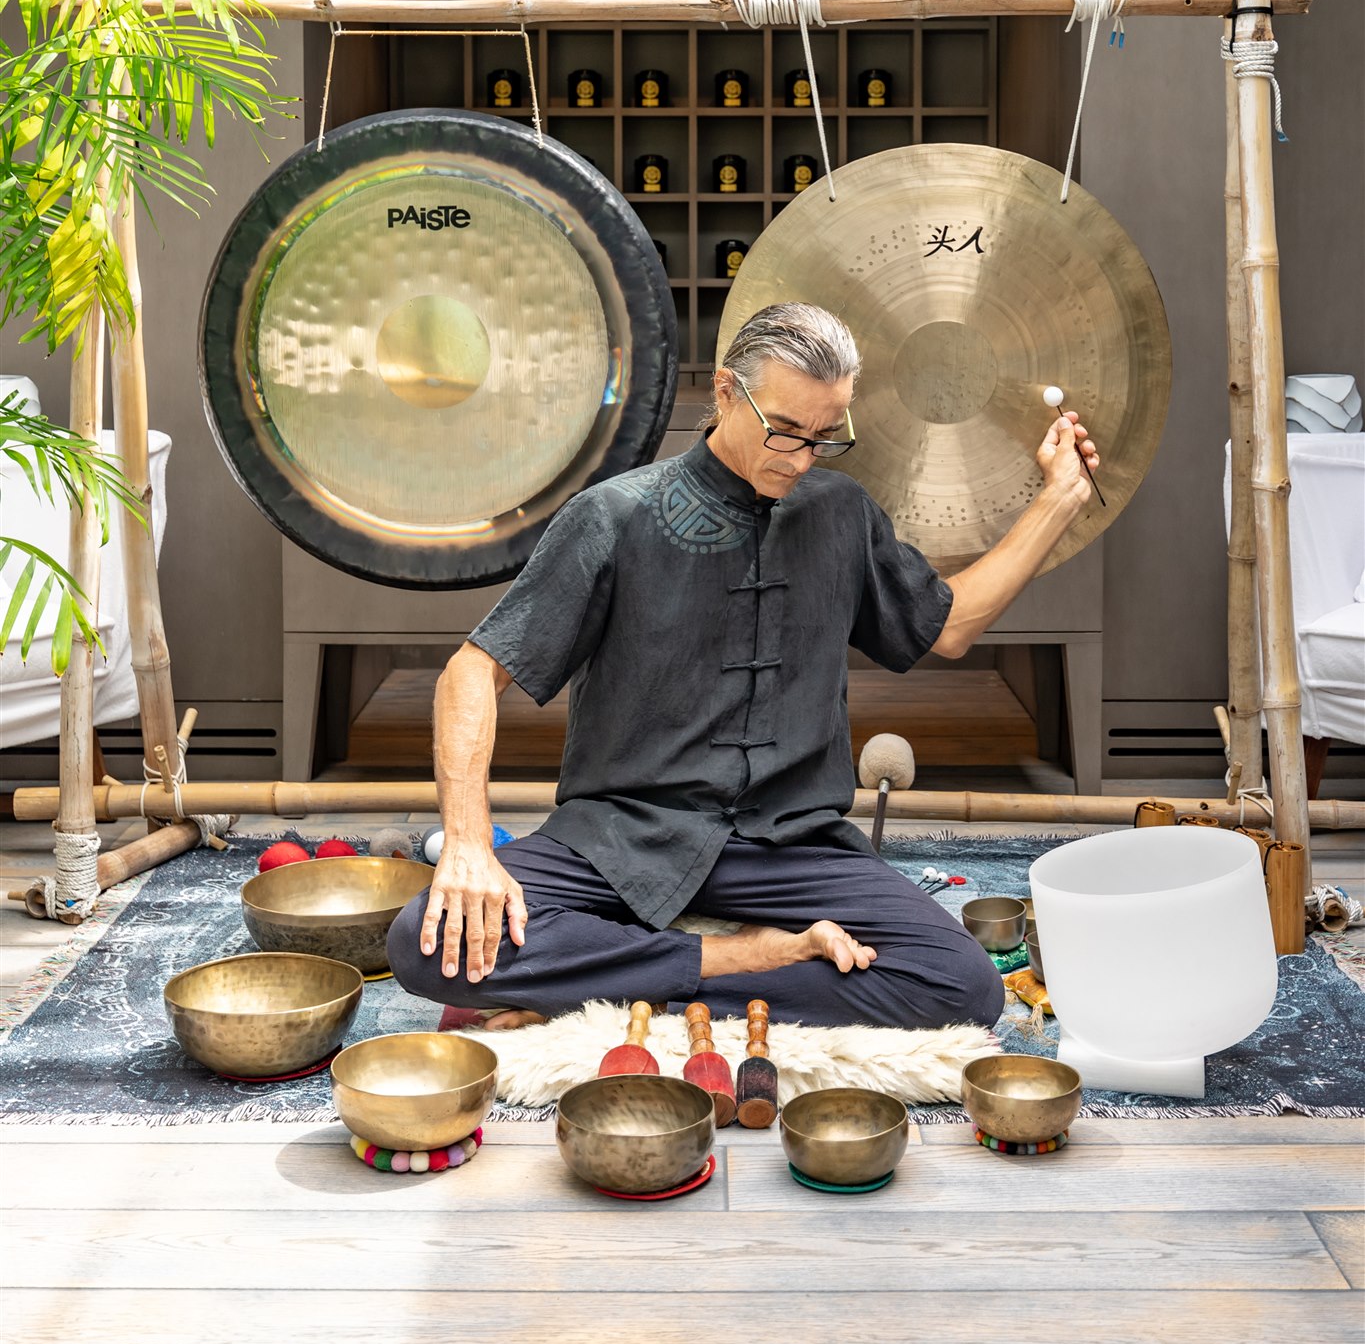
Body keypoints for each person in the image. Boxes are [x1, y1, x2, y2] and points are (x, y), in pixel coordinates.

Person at [389, 302, 1101, 1033]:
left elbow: (945, 627)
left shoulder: (840, 511)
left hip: (793, 843)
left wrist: (1058, 499)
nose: (799, 458)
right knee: (424, 943)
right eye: (784, 430)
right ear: (727, 392)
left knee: (961, 989)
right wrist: (470, 846)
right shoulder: (613, 516)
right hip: (623, 834)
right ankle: (736, 962)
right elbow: (470, 672)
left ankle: (630, 989)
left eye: (825, 438)